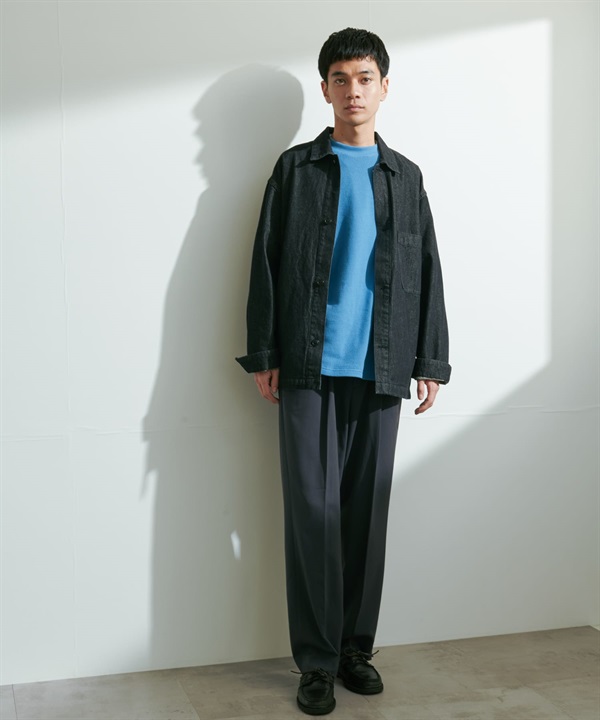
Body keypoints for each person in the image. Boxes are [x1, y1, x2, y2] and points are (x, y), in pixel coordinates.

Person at [236, 27, 451, 716]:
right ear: (325, 88)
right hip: (308, 367)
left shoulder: (406, 178)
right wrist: (266, 353)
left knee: (365, 516)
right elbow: (266, 261)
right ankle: (317, 661)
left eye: (365, 78)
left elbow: (428, 272)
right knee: (312, 514)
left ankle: (356, 649)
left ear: (384, 87)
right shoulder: (296, 170)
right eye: (340, 78)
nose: (353, 91)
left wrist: (430, 361)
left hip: (382, 370)